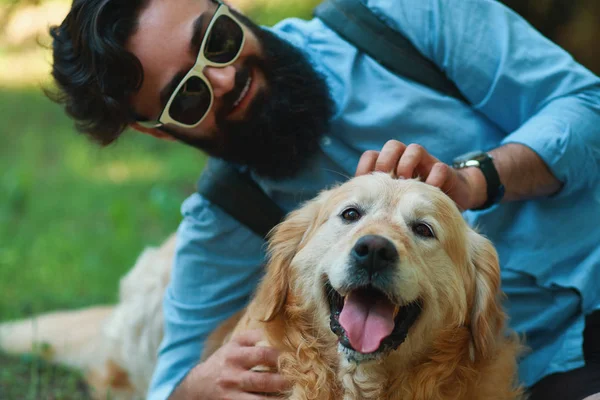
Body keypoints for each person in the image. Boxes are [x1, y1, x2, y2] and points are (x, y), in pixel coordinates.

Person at [48, 0, 600, 399]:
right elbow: (174, 380)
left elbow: (588, 102)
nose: (224, 77)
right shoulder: (227, 214)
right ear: (162, 132)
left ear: (228, 7)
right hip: (543, 375)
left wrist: (478, 179)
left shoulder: (404, 15)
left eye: (216, 40)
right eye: (187, 96)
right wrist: (196, 388)